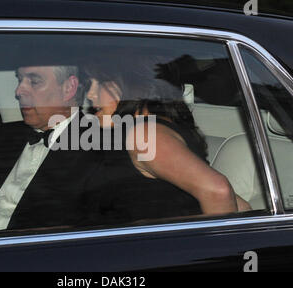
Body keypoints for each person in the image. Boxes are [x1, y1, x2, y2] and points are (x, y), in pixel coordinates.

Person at [82, 57, 251, 225]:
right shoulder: (151, 130)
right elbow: (239, 205)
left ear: (131, 87)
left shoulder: (146, 134)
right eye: (90, 84)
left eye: (101, 83)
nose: (90, 94)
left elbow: (219, 191)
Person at [0, 64, 103, 234]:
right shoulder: (1, 136)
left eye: (34, 82)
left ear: (68, 88)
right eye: (19, 80)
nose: (18, 91)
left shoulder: (99, 148)